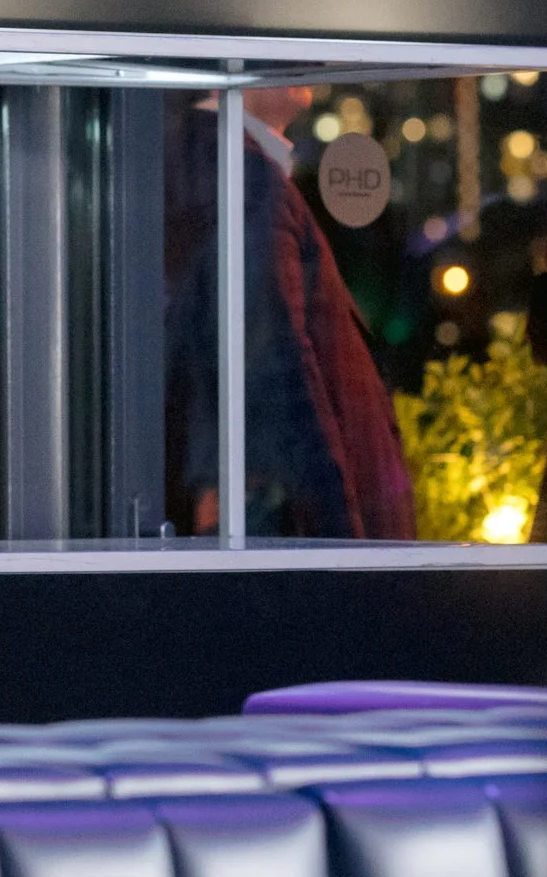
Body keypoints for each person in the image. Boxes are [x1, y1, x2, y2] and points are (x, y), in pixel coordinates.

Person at [165, 87, 415, 539]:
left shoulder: (216, 162)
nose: (313, 67)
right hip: (293, 538)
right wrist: (342, 551)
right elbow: (278, 375)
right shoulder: (241, 172)